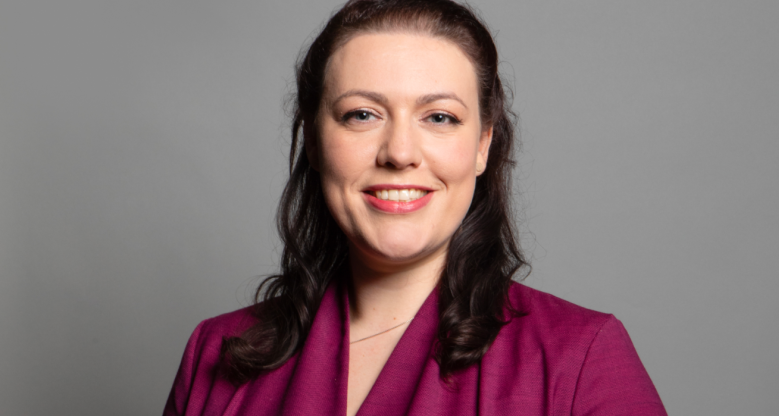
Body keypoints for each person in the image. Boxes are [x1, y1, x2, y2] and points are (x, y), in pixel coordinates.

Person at [163, 1, 667, 415]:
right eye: (362, 114)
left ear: (482, 145)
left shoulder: (578, 359)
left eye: (440, 117)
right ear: (314, 141)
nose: (400, 152)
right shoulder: (218, 353)